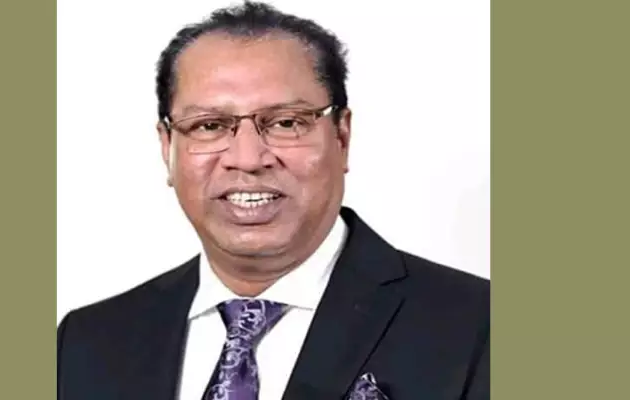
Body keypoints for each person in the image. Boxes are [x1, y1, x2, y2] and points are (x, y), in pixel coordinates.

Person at [56, 2, 489, 399]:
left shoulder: (479, 327)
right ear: (167, 147)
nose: (247, 159)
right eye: (209, 126)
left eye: (285, 122)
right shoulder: (87, 342)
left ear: (341, 136)